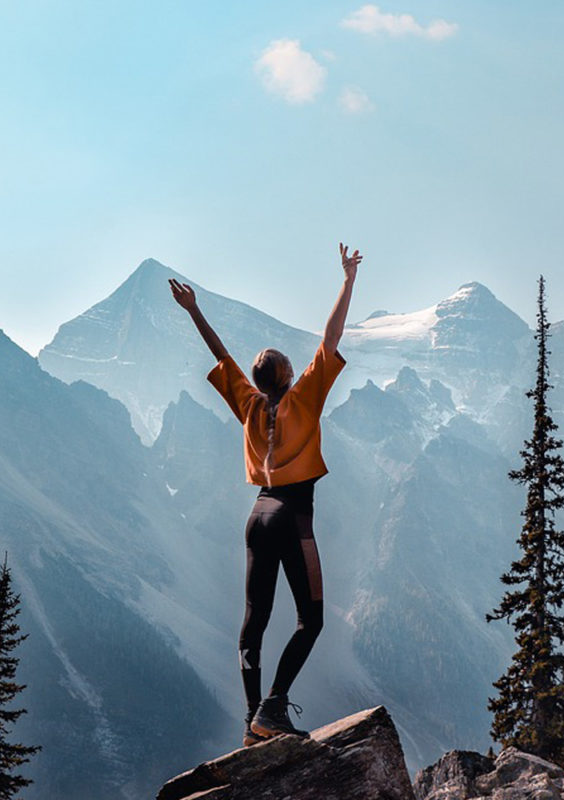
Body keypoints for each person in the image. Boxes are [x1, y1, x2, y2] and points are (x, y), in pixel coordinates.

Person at [169, 243, 361, 746]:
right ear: (290, 376)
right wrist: (347, 280)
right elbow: (333, 335)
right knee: (311, 619)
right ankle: (274, 707)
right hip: (293, 516)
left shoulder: (249, 406)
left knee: (255, 619)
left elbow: (221, 355)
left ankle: (252, 723)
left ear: (258, 381)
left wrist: (195, 311)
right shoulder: (304, 398)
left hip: (257, 516)